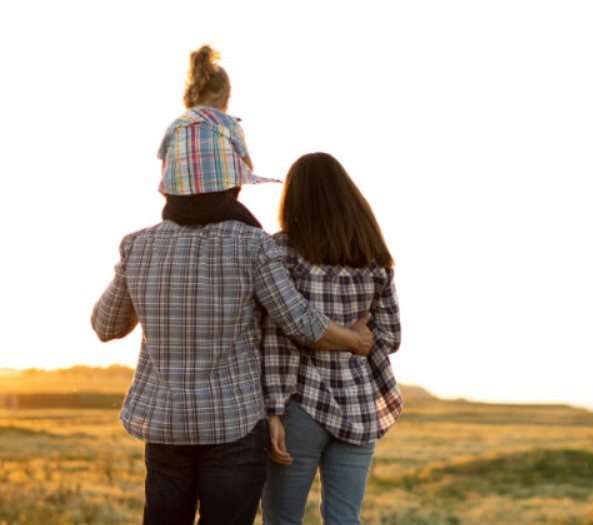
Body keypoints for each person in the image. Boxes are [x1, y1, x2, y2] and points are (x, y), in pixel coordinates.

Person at [91, 54, 373, 525]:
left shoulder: (138, 246)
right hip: (233, 428)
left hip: (164, 428)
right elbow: (301, 324)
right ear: (232, 181)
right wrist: (355, 340)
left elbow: (105, 326)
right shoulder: (252, 245)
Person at [261, 152, 403, 525]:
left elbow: (276, 340)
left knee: (282, 520)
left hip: (300, 404)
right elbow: (390, 336)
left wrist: (273, 410)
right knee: (345, 520)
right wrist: (355, 338)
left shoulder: (281, 253)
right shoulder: (373, 258)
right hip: (359, 405)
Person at [158, 44, 279, 229]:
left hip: (176, 209)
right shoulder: (227, 122)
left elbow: (164, 172)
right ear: (225, 98)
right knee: (256, 229)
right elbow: (247, 167)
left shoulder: (174, 126)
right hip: (215, 206)